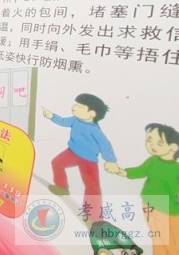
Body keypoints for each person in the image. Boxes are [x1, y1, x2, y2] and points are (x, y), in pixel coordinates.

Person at [43, 93, 120, 223]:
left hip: (88, 160)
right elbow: (63, 121)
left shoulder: (95, 130)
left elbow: (105, 145)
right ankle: (62, 187)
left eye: (80, 106)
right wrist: (52, 116)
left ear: (92, 114)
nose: (74, 107)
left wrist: (111, 160)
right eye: (76, 104)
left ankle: (93, 216)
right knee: (56, 163)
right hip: (72, 152)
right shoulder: (75, 120)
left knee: (92, 186)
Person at [116, 123, 179, 253]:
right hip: (151, 204)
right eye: (149, 140)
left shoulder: (176, 168)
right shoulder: (152, 161)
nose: (152, 145)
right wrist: (121, 171)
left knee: (172, 240)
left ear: (173, 147)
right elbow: (139, 171)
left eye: (159, 143)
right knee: (159, 237)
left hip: (172, 209)